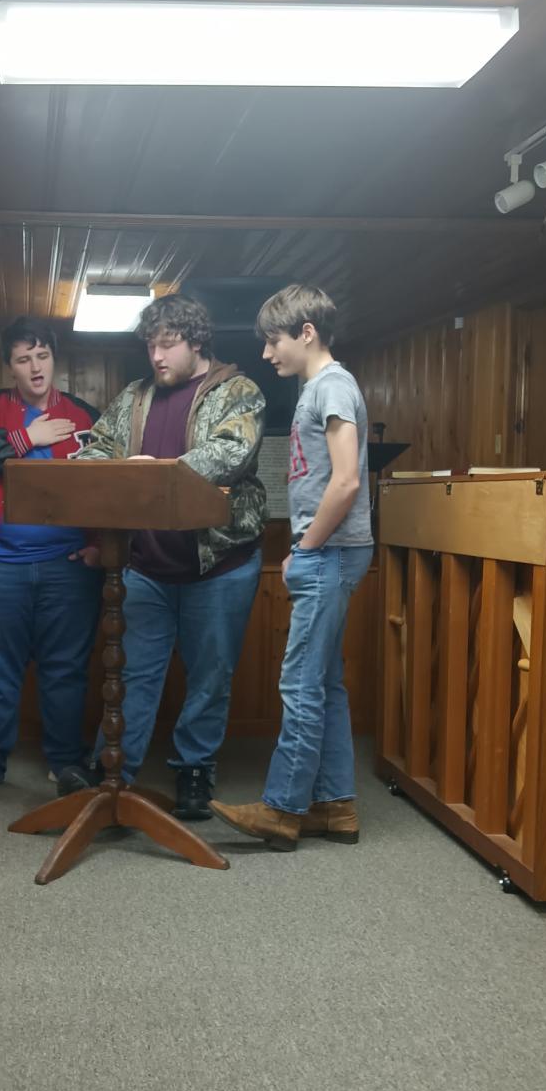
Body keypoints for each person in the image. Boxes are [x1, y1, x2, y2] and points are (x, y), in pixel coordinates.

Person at [62, 293, 267, 821]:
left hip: (220, 565)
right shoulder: (134, 397)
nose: (156, 355)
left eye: (168, 344)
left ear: (196, 342)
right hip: (146, 566)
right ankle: (113, 770)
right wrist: (115, 468)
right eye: (151, 345)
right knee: (132, 674)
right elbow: (94, 449)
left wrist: (154, 471)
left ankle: (195, 771)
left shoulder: (238, 391)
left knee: (209, 678)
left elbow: (229, 454)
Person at [209, 285, 373, 851]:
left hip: (329, 553)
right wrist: (303, 544)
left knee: (300, 683)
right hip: (325, 550)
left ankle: (282, 810)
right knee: (323, 682)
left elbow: (345, 481)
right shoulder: (319, 388)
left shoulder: (332, 385)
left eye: (273, 340)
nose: (266, 352)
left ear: (307, 332)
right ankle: (334, 806)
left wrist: (306, 548)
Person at [0, 315, 103, 799]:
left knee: (66, 669)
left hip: (68, 568)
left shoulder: (85, 415)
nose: (35, 367)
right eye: (23, 359)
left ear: (53, 359)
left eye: (42, 356)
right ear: (9, 366)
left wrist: (100, 543)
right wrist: (26, 439)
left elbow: (111, 484)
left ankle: (66, 761)